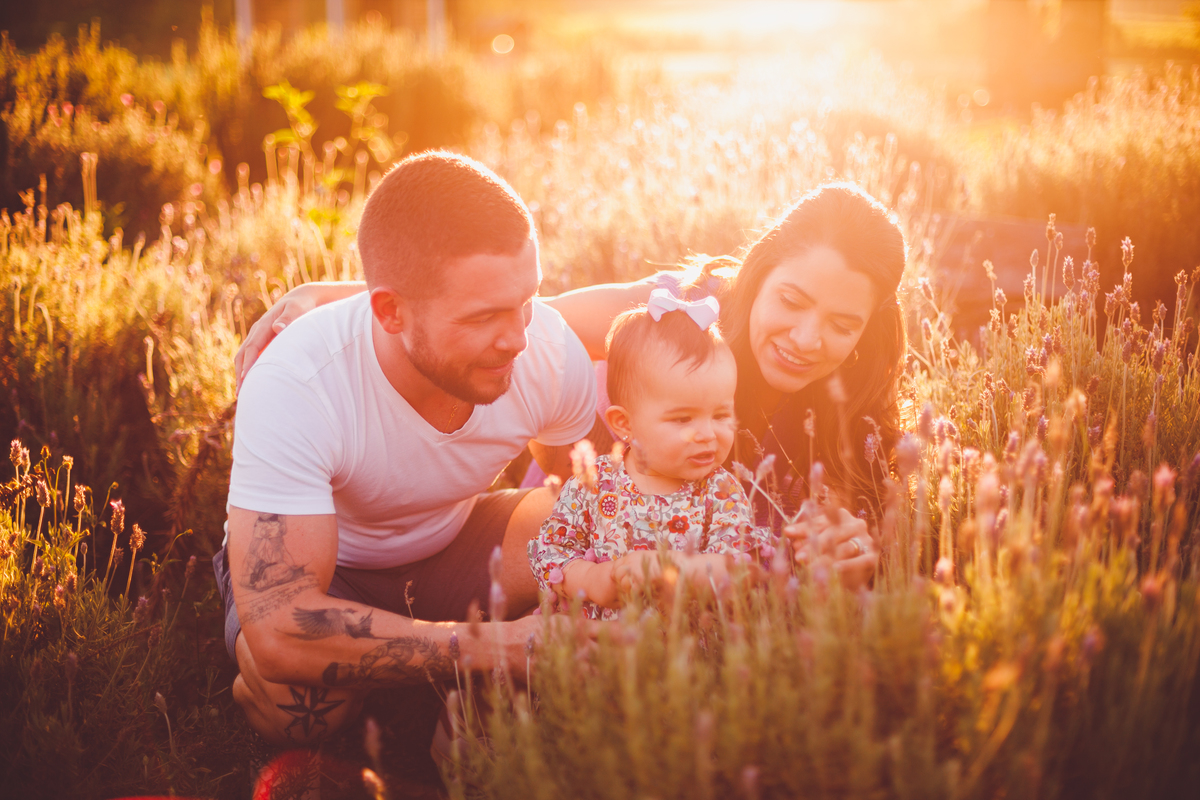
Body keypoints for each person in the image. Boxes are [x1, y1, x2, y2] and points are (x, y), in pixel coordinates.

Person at [235, 182, 907, 593]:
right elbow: (522, 312)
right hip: (589, 524)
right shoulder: (682, 310)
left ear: (867, 328)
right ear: (759, 275)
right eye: (792, 300)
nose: (808, 337)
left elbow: (841, 540)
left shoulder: (855, 413)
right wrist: (342, 297)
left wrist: (848, 553)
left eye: (841, 323)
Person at [216, 150, 604, 748]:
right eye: (484, 316)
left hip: (456, 544)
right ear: (391, 311)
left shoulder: (547, 351)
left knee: (591, 526)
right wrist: (498, 646)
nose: (518, 339)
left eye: (526, 301)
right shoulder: (298, 382)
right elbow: (282, 625)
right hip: (333, 574)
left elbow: (587, 499)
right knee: (303, 708)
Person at [529, 293, 774, 620]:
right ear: (625, 424)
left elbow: (738, 568)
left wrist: (672, 568)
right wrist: (591, 579)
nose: (708, 433)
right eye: (683, 419)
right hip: (600, 642)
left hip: (686, 645)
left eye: (720, 415)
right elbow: (550, 553)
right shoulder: (594, 484)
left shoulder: (720, 492)